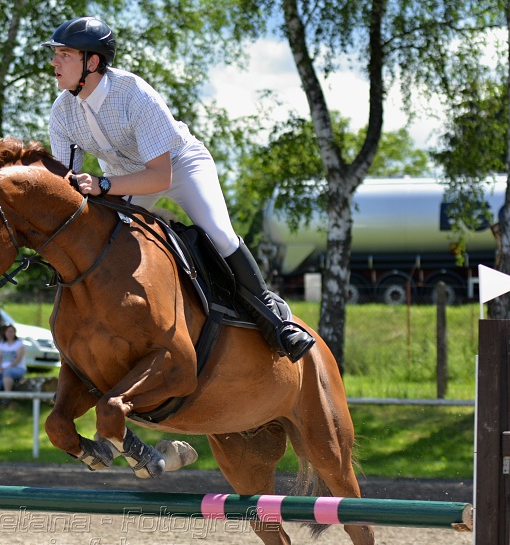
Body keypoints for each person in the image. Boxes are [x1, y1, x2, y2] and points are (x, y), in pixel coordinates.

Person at [41, 17, 315, 362]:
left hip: (179, 165)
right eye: (55, 54)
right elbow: (69, 182)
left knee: (219, 234)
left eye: (64, 54)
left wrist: (104, 185)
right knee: (108, 241)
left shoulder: (133, 94)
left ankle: (277, 321)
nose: (54, 62)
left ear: (91, 62)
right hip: (123, 176)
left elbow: (160, 177)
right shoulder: (62, 112)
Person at [0, 325, 27, 413]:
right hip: (4, 369)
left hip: (18, 368)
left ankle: (7, 396)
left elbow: (18, 359)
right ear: (5, 333)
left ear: (15, 333)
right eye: (8, 331)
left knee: (7, 374)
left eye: (11, 331)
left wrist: (7, 368)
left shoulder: (19, 344)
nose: (10, 333)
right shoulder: (2, 344)